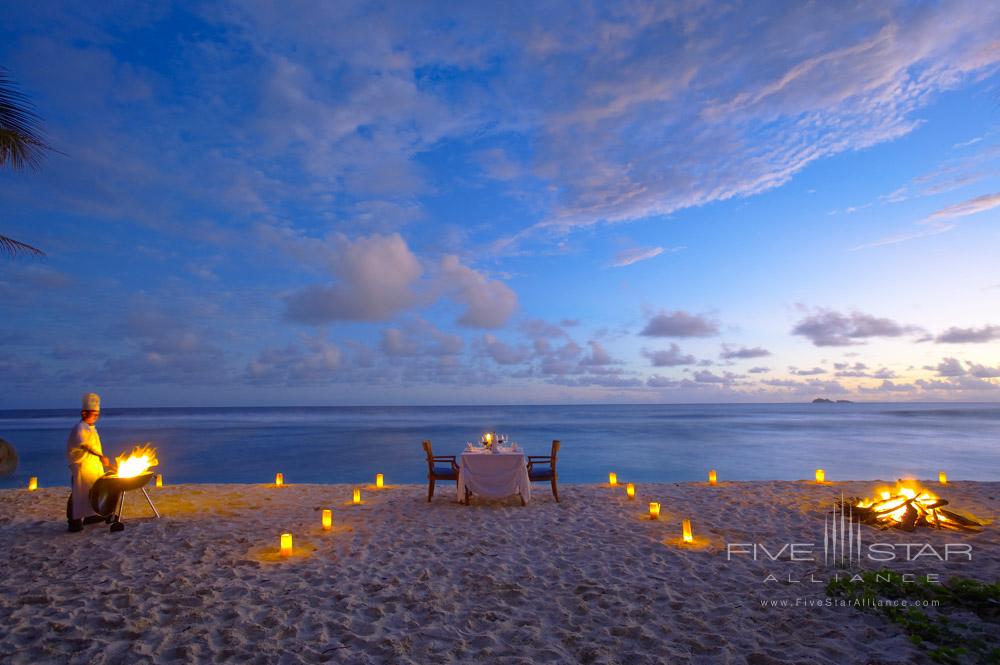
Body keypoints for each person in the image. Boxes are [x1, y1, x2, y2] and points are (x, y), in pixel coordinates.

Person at [66, 392, 111, 532]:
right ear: (84, 413)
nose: (96, 417)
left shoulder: (91, 428)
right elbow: (84, 445)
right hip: (82, 465)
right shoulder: (80, 428)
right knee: (78, 492)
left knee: (92, 491)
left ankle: (90, 516)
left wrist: (100, 458)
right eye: (94, 414)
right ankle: (73, 521)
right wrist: (101, 456)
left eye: (97, 415)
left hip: (93, 465)